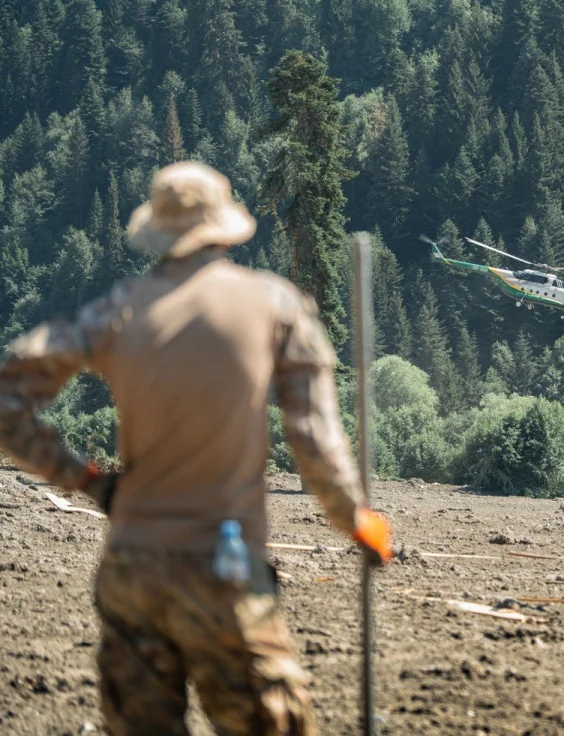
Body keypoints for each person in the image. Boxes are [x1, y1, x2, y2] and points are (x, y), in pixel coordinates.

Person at [0, 161, 394, 735]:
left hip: (131, 570)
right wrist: (353, 517)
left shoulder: (117, 311)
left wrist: (85, 479)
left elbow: (9, 396)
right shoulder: (275, 306)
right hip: (222, 572)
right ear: (226, 228)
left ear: (157, 232)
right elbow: (315, 438)